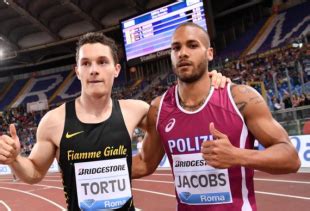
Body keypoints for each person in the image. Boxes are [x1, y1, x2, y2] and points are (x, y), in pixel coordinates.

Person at [0, 32, 229, 210]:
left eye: (102, 62)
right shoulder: (53, 121)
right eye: (86, 63)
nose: (94, 70)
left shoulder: (136, 111)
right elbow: (34, 173)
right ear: (77, 71)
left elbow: (179, 113)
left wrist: (208, 82)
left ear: (116, 69)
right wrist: (14, 160)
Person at [133, 22, 301, 211]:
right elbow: (145, 163)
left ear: (210, 53)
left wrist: (238, 156)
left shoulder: (241, 98)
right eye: (176, 48)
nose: (183, 53)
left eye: (193, 45)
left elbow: (291, 158)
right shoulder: (159, 108)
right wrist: (97, 169)